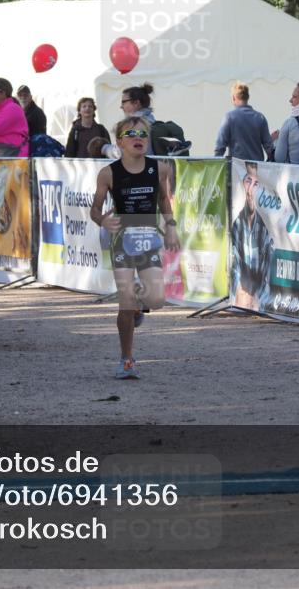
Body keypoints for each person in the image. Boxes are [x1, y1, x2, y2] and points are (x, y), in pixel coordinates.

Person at [90, 116, 181, 380]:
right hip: (122, 238)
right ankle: (126, 359)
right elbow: (95, 209)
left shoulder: (159, 169)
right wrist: (103, 220)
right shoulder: (108, 173)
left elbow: (164, 200)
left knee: (156, 299)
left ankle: (141, 307)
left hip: (149, 234)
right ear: (119, 141)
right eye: (130, 134)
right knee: (125, 301)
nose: (137, 138)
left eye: (142, 134)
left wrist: (171, 225)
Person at [230, 162, 274, 312]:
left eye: (256, 184)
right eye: (248, 180)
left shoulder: (265, 227)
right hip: (240, 300)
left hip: (257, 302)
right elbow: (233, 268)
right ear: (243, 183)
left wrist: (258, 300)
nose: (250, 189)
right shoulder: (236, 224)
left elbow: (267, 274)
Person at [213, 82, 273, 161]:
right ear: (248, 97)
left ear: (233, 98)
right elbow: (269, 148)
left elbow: (220, 147)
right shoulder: (260, 118)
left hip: (236, 169)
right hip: (256, 169)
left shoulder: (229, 117)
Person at [100, 84, 157, 158]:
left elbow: (122, 152)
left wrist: (104, 148)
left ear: (136, 103)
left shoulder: (135, 125)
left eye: (123, 102)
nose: (121, 106)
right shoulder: (151, 120)